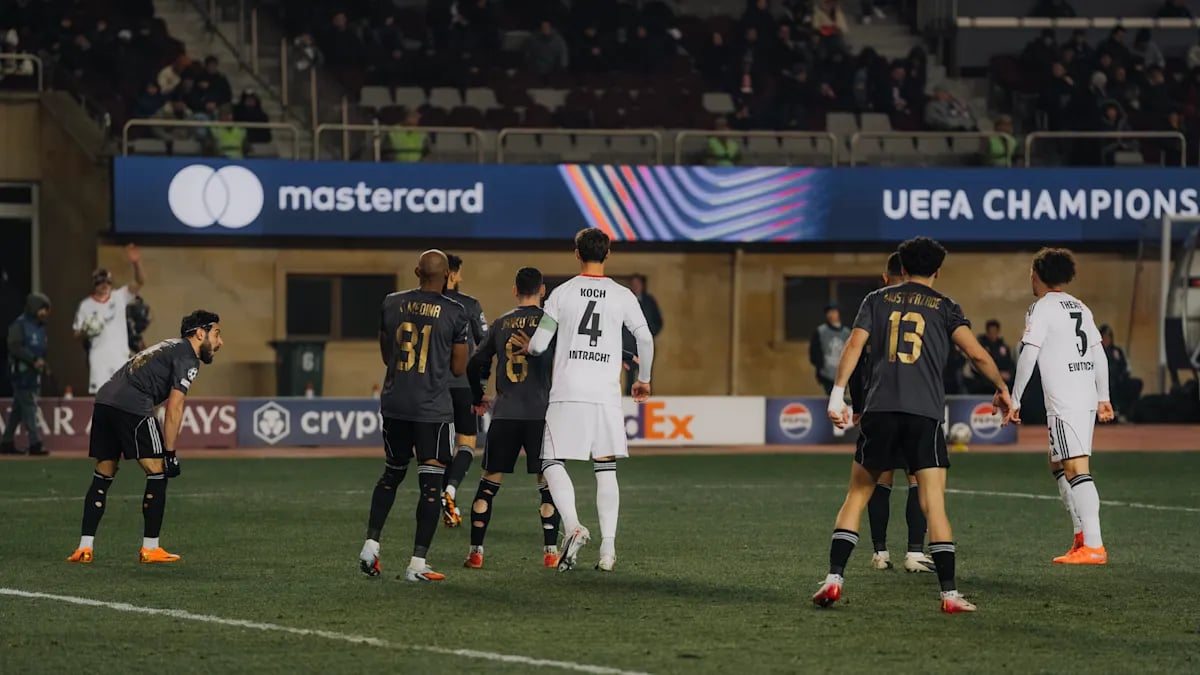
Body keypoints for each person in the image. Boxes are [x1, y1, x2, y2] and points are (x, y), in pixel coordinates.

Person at [815, 236, 1012, 613]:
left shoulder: (876, 300)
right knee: (933, 502)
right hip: (924, 414)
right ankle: (949, 595)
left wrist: (837, 394)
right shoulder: (945, 306)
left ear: (901, 268)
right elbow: (975, 354)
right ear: (937, 270)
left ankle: (834, 578)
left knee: (857, 495)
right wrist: (1002, 388)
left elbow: (853, 346)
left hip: (879, 411)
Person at [509, 228, 655, 572]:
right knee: (605, 467)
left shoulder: (561, 293)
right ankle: (608, 551)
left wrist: (529, 346)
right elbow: (645, 338)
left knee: (550, 460)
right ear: (608, 254)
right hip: (605, 392)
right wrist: (644, 379)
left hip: (569, 390)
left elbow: (540, 345)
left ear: (577, 253)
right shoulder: (622, 294)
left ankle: (573, 526)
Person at [66, 310, 224, 565]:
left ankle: (84, 548)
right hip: (133, 404)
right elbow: (174, 408)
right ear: (199, 334)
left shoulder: (169, 346)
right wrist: (170, 453)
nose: (220, 342)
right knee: (158, 471)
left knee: (104, 472)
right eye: (216, 334)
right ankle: (151, 548)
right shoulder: (188, 357)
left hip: (105, 401)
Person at [358, 251, 469, 583]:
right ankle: (417, 564)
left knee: (391, 474)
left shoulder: (391, 303)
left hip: (395, 403)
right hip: (432, 409)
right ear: (448, 275)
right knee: (431, 485)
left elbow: (386, 355)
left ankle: (370, 546)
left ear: (417, 271)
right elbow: (458, 367)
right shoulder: (455, 311)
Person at [1006, 248, 1113, 565]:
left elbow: (1028, 354)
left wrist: (1015, 399)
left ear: (1036, 275)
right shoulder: (1079, 305)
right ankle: (1081, 537)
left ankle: (1094, 545)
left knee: (1077, 468)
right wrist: (1103, 396)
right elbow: (1099, 354)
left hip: (1065, 400)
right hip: (1083, 395)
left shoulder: (1041, 308)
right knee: (1058, 463)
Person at [464, 267, 560, 569]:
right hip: (541, 415)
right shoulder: (551, 323)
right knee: (547, 484)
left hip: (505, 414)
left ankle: (476, 552)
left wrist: (477, 395)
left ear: (515, 290)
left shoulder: (501, 323)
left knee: (488, 484)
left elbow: (475, 363)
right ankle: (550, 552)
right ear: (542, 290)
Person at [849, 254, 935, 573]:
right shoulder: (930, 306)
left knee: (878, 479)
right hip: (916, 405)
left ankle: (880, 553)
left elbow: (856, 357)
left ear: (886, 277)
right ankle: (914, 554)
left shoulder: (874, 304)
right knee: (917, 479)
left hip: (879, 405)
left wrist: (858, 405)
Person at [440, 253, 489, 528]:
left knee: (438, 449)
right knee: (467, 444)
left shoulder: (423, 304)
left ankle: (443, 502)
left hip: (432, 387)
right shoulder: (469, 305)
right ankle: (450, 490)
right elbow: (485, 344)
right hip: (462, 386)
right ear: (453, 274)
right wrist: (481, 386)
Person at [73, 244, 145, 395]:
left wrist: (136, 263)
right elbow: (77, 333)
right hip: (99, 358)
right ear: (95, 284)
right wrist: (87, 331)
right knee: (102, 397)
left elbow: (139, 282)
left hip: (119, 357)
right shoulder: (86, 305)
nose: (104, 285)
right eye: (100, 282)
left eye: (107, 282)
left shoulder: (119, 297)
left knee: (123, 395)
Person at [2, 293, 51, 456]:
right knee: (29, 406)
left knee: (18, 409)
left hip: (33, 373)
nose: (45, 313)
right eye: (43, 309)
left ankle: (6, 442)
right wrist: (33, 359)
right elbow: (14, 347)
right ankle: (35, 443)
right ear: (35, 307)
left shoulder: (40, 327)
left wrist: (43, 364)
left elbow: (41, 350)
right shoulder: (19, 325)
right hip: (21, 373)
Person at [622, 274, 663, 395]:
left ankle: (645, 401)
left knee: (646, 377)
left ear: (642, 285)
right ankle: (629, 402)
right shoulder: (626, 301)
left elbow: (658, 321)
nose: (635, 286)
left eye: (637, 284)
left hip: (645, 347)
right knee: (629, 379)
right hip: (629, 347)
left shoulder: (649, 301)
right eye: (633, 284)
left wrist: (648, 334)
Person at [1099, 324, 1142, 420]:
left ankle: (1128, 413)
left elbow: (1125, 367)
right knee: (1110, 385)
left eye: (1108, 337)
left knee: (1136, 384)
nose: (1106, 339)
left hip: (1119, 380)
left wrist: (1122, 375)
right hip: (1104, 382)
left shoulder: (1117, 351)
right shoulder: (1097, 352)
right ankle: (1112, 411)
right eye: (1104, 337)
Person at [810, 304, 850, 395]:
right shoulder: (821, 331)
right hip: (826, 374)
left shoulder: (847, 333)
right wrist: (820, 367)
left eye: (833, 312)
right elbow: (814, 353)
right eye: (829, 312)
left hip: (843, 373)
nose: (831, 315)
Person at [973, 319, 1015, 391]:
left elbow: (1010, 364)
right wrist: (996, 374)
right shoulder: (981, 347)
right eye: (991, 332)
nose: (993, 334)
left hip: (1003, 381)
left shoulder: (1004, 347)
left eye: (995, 332)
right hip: (984, 382)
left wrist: (1008, 374)